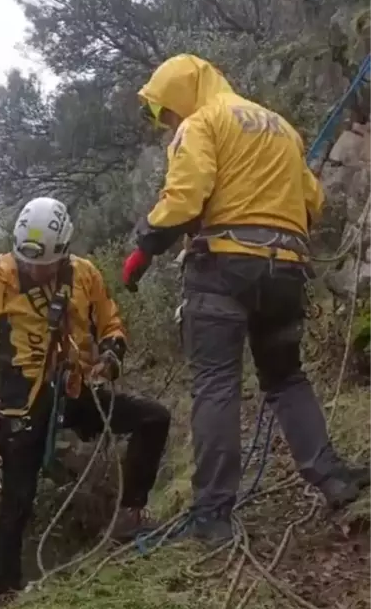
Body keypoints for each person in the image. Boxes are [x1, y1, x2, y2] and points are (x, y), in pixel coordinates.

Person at [123, 54, 370, 543]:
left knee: (217, 384)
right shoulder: (279, 126)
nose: (166, 124)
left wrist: (143, 246)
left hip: (222, 268)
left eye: (163, 113)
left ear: (179, 96)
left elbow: (187, 197)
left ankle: (212, 514)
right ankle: (333, 477)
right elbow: (313, 203)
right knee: (285, 377)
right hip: (286, 271)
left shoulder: (201, 124)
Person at [0, 196, 171, 598]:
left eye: (44, 262)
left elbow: (110, 321)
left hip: (73, 391)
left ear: (64, 250)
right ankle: (3, 591)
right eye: (28, 261)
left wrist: (113, 352)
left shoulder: (84, 275)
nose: (34, 269)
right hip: (21, 403)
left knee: (153, 418)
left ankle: (129, 515)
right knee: (17, 498)